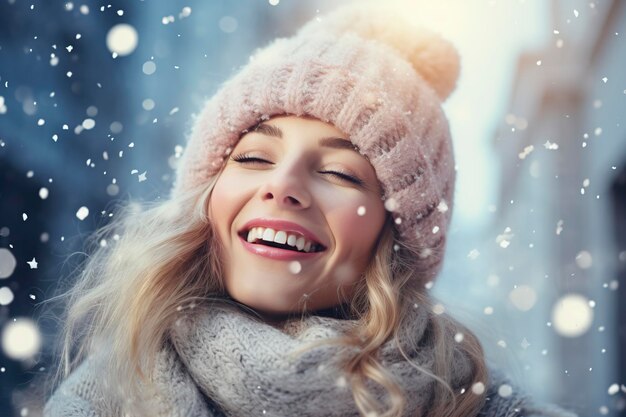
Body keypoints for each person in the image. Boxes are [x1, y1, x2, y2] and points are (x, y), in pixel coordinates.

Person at [43, 4, 577, 417]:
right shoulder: (109, 395)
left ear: (399, 236)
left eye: (341, 174)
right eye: (253, 157)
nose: (283, 185)